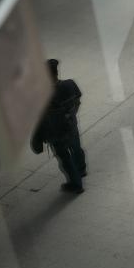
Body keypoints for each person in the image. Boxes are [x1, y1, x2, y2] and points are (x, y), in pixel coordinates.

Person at [31, 59, 85, 193]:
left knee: (65, 157)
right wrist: (70, 116)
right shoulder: (69, 84)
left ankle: (76, 184)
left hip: (55, 133)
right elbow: (77, 101)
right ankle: (82, 170)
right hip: (71, 126)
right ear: (56, 72)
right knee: (76, 148)